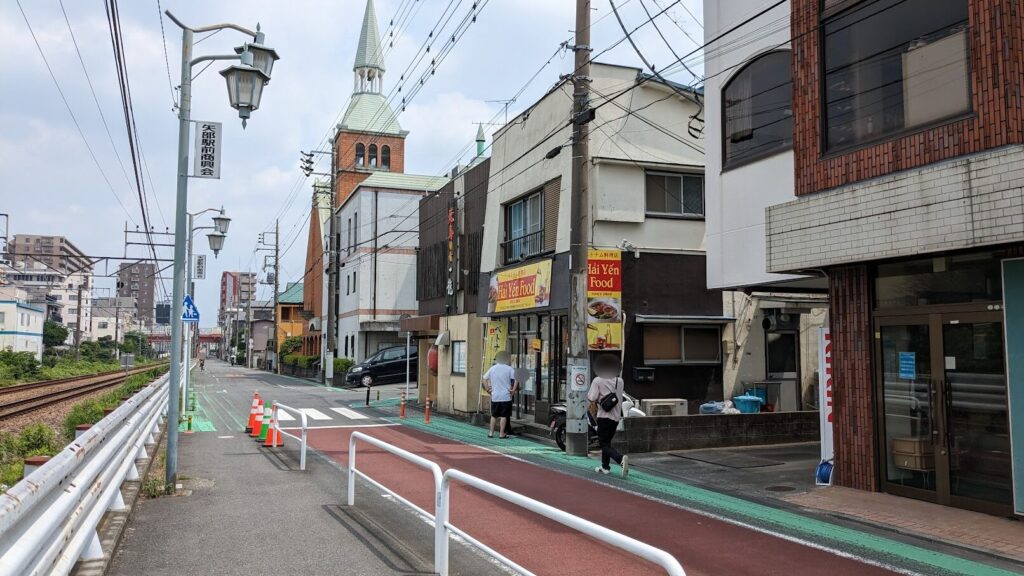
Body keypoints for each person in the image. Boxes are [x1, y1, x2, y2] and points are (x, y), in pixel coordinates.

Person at [587, 354, 629, 477]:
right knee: (607, 442)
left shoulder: (598, 380)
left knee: (603, 444)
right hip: (616, 417)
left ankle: (620, 459)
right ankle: (605, 467)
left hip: (604, 416)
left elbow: (592, 397)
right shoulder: (619, 381)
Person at [483, 351, 516, 439]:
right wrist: (513, 390)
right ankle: (502, 433)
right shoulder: (509, 369)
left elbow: (484, 378)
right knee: (504, 416)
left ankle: (491, 433)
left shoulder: (492, 369)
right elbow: (516, 379)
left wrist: (488, 390)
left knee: (494, 415)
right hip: (506, 396)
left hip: (495, 396)